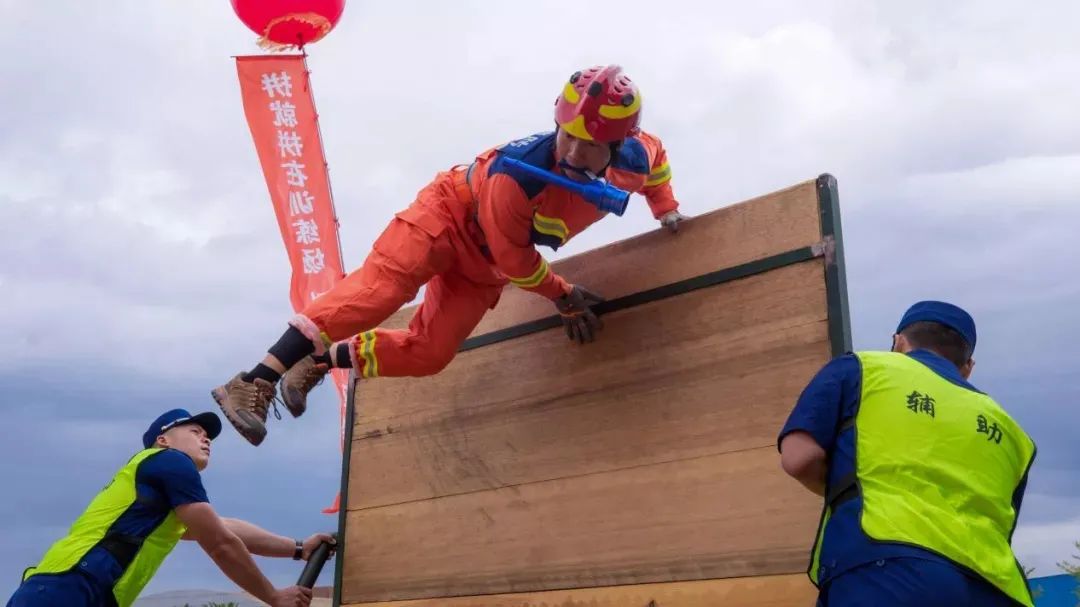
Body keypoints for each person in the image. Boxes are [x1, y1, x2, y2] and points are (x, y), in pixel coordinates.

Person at [212, 64, 688, 446]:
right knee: (381, 293)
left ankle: (320, 361)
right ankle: (255, 379)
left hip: (482, 266)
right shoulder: (515, 177)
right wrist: (562, 295)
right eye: (566, 135)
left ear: (619, 143)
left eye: (589, 146)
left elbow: (658, 164)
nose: (572, 152)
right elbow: (517, 261)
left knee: (431, 353)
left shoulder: (636, 157)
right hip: (449, 215)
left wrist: (665, 209)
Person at [778, 301, 1037, 607]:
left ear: (898, 342)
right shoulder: (1011, 430)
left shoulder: (860, 368)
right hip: (998, 589)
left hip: (887, 569)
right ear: (968, 367)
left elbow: (799, 458)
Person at [7, 408, 335, 607]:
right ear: (163, 439)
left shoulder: (153, 497)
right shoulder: (169, 462)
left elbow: (225, 528)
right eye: (195, 431)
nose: (205, 439)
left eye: (207, 435)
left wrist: (297, 549)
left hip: (68, 589)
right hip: (67, 588)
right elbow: (219, 545)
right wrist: (273, 596)